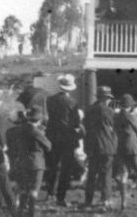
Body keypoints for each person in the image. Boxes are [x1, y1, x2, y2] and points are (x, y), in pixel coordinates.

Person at [44, 74, 82, 206]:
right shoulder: (72, 103)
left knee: (53, 166)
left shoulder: (50, 99)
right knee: (66, 168)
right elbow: (76, 123)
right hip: (67, 138)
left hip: (53, 136)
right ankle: (61, 197)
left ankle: (50, 193)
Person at [9, 105, 50, 217]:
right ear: (39, 119)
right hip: (36, 162)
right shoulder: (36, 131)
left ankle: (21, 211)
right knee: (34, 190)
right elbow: (48, 146)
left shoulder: (20, 129)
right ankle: (31, 212)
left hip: (22, 161)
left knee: (24, 188)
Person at [113, 93, 137, 210]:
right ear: (130, 105)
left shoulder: (116, 116)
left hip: (120, 147)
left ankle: (124, 202)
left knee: (123, 174)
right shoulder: (132, 117)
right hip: (133, 148)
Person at [83, 85, 117, 210]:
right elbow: (114, 127)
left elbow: (85, 127)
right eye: (108, 98)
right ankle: (105, 200)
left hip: (92, 146)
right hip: (106, 146)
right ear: (105, 98)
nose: (109, 100)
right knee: (106, 175)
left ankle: (88, 200)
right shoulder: (108, 111)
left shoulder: (89, 110)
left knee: (91, 175)